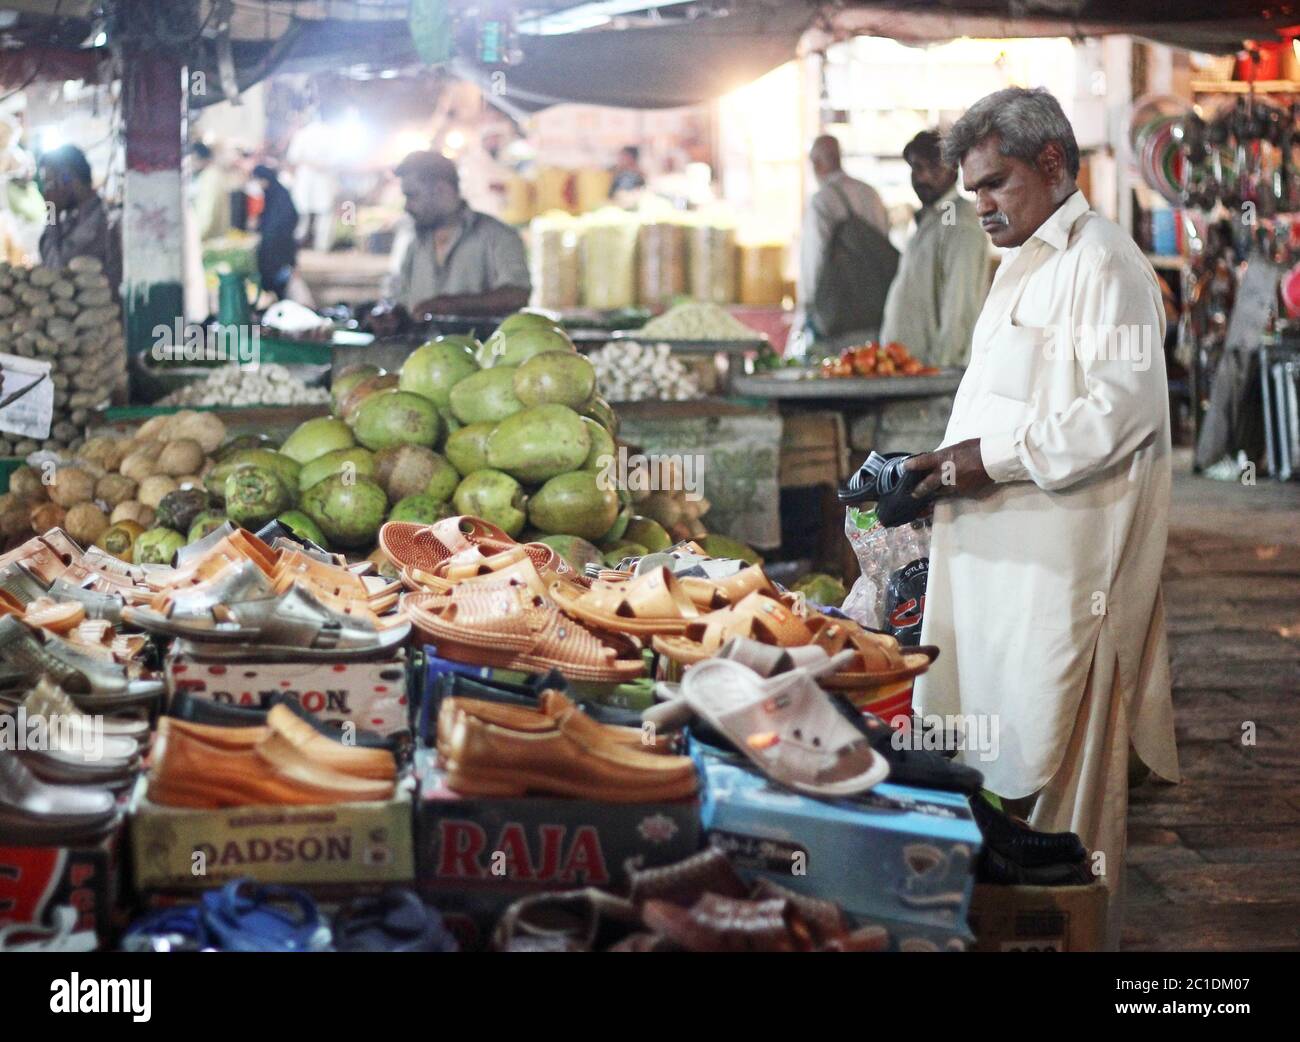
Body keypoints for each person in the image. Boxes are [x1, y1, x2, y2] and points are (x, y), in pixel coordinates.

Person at [904, 87, 1180, 950]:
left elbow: (1119, 413)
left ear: (1053, 163)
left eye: (996, 184)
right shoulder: (1025, 258)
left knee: (1071, 802)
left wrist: (976, 462)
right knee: (1004, 772)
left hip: (1069, 587)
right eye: (972, 191)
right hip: (1000, 583)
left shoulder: (1105, 263)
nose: (980, 205)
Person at [879, 130, 990, 369]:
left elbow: (960, 308)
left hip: (934, 380)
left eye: (927, 168)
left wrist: (942, 370)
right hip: (912, 375)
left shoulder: (958, 221)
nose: (919, 177)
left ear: (950, 170)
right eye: (914, 169)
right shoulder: (931, 218)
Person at [389, 150, 530, 318]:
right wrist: (390, 314)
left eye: (412, 196)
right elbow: (399, 297)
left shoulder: (499, 236)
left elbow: (517, 295)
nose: (407, 207)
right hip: (422, 345)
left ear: (441, 190)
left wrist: (453, 304)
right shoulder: (416, 242)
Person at [798, 134, 895, 344]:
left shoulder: (822, 200)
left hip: (839, 314)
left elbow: (813, 260)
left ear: (816, 164)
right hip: (876, 310)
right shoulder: (870, 193)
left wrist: (808, 309)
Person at [38, 144, 118, 287]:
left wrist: (52, 212)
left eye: (49, 182)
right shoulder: (70, 220)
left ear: (66, 178)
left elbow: (56, 272)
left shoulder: (102, 221)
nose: (48, 191)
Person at [251, 164, 298, 301]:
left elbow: (288, 218)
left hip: (278, 245)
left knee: (277, 277)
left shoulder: (278, 193)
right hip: (277, 243)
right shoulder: (274, 192)